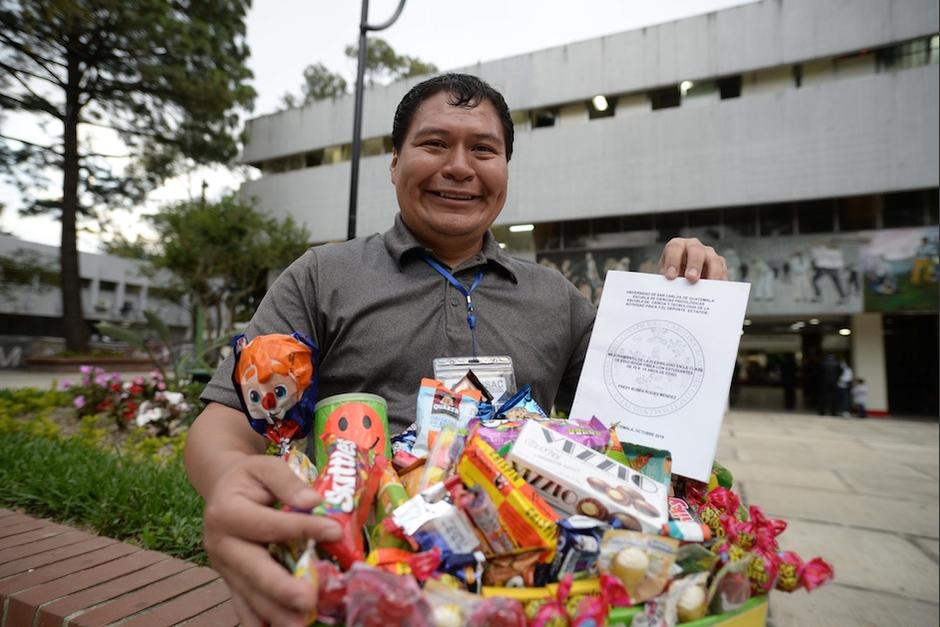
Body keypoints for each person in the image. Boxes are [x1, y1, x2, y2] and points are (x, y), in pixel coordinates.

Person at [183, 73, 729, 627]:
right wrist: (231, 481)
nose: (461, 167)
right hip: (355, 583)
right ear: (395, 162)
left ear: (505, 171)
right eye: (435, 144)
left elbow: (641, 432)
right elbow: (225, 424)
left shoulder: (557, 298)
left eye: (484, 150)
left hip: (521, 590)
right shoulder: (321, 278)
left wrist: (682, 303)